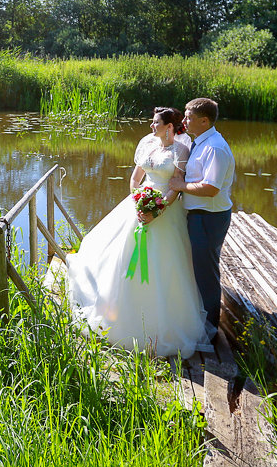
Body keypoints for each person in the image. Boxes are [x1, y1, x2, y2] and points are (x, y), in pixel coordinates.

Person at [66, 107, 211, 358]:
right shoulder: (147, 144)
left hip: (165, 210)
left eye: (155, 123)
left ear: (169, 127)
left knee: (165, 265)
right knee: (118, 256)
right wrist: (139, 202)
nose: (151, 127)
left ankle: (157, 324)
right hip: (138, 206)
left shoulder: (181, 150)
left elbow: (176, 186)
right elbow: (135, 180)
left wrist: (157, 209)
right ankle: (117, 312)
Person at [169, 97, 234, 337]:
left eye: (188, 117)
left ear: (204, 121)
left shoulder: (215, 148)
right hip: (199, 214)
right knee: (198, 267)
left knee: (206, 272)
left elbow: (210, 188)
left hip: (209, 217)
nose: (184, 121)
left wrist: (180, 185)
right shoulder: (200, 141)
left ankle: (209, 330)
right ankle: (200, 318)